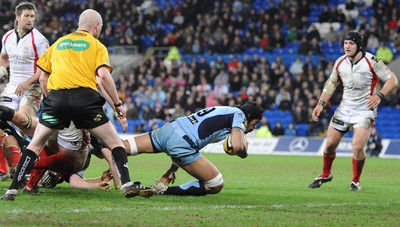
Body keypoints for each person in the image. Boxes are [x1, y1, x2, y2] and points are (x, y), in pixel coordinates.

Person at [1, 9, 152, 201]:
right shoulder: (97, 46)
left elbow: (44, 77)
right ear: (96, 27)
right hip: (85, 101)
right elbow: (103, 77)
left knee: (35, 145)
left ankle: (12, 190)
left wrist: (51, 100)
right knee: (115, 143)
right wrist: (117, 104)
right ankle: (128, 184)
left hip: (57, 100)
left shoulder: (59, 43)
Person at [308, 31, 398, 191]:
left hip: (364, 110)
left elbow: (393, 80)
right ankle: (325, 174)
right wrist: (320, 103)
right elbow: (331, 83)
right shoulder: (340, 62)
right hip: (344, 108)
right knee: (329, 145)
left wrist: (379, 95)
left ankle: (355, 181)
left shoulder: (372, 61)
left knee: (357, 147)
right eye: (345, 43)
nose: (347, 46)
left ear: (359, 46)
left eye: (351, 43)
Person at [124, 101, 263, 196]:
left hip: (171, 127)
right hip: (183, 143)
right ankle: (161, 191)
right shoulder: (240, 115)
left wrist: (172, 170)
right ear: (249, 116)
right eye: (255, 123)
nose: (252, 128)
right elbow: (238, 147)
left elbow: (194, 133)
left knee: (123, 147)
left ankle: (105, 161)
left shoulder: (225, 111)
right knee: (216, 184)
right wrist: (245, 150)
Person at [0, 2, 48, 181]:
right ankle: (6, 169)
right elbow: (4, 57)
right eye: (27, 16)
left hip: (32, 87)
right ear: (18, 17)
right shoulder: (7, 37)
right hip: (12, 86)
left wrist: (27, 82)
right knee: (0, 121)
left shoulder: (40, 39)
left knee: (21, 120)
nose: (30, 19)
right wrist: (2, 70)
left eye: (32, 16)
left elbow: (45, 68)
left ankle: (32, 162)